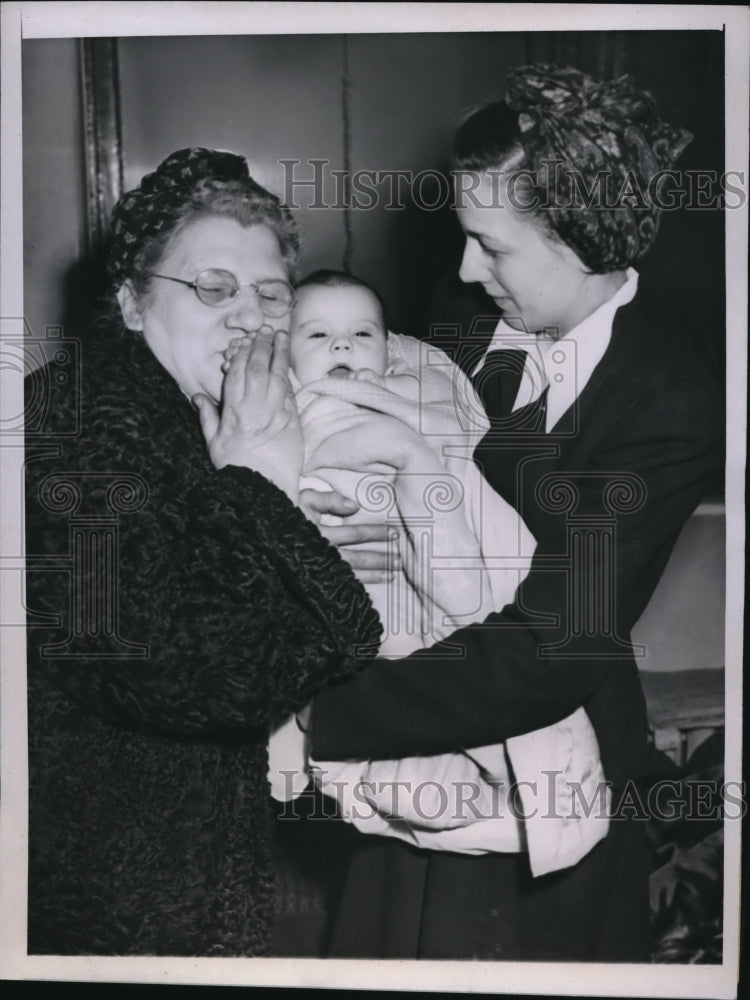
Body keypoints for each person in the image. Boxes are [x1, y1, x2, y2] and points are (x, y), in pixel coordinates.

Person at [307, 65, 724, 960]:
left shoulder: (670, 400)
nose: (464, 269)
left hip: (544, 770)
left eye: (490, 247)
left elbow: (551, 645)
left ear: (579, 238)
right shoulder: (460, 313)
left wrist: (317, 711)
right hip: (408, 746)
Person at [24, 147, 383, 956]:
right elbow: (214, 677)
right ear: (131, 301)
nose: (250, 318)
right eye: (213, 289)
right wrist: (262, 484)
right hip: (100, 907)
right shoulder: (69, 426)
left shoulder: (195, 414)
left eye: (271, 294)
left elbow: (319, 633)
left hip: (187, 871)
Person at [264, 269, 611, 877]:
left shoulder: (419, 389)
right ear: (284, 349)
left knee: (457, 683)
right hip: (345, 598)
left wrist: (415, 458)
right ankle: (398, 775)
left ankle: (481, 777)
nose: (343, 345)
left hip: (422, 583)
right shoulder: (281, 407)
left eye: (363, 333)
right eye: (317, 334)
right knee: (370, 684)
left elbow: (458, 463)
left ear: (389, 346)